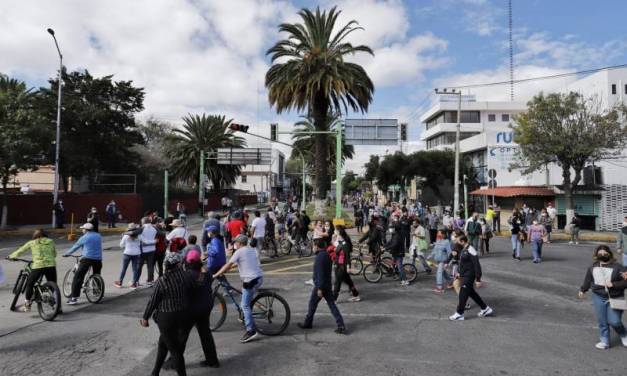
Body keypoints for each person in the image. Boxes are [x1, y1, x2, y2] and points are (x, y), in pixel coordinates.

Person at [140, 252, 194, 376]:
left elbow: (153, 301)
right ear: (179, 264)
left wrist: (145, 318)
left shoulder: (162, 280)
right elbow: (192, 293)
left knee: (174, 351)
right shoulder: (186, 277)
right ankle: (155, 372)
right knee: (163, 343)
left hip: (166, 318)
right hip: (184, 316)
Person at [213, 234, 264, 343]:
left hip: (250, 280)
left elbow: (228, 264)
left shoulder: (239, 252)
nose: (235, 244)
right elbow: (241, 263)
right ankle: (245, 316)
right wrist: (227, 269)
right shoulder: (251, 250)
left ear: (239, 243)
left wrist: (217, 274)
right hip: (259, 278)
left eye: (236, 242)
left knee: (245, 305)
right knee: (246, 301)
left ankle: (251, 331)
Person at [578, 245, 627, 349]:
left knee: (614, 321)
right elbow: (588, 279)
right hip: (598, 296)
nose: (603, 255)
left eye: (605, 253)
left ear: (609, 254)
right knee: (602, 321)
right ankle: (604, 341)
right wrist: (583, 290)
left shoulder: (619, 267)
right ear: (596, 255)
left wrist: (614, 284)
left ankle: (624, 334)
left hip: (615, 297)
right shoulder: (593, 266)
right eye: (600, 254)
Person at [297, 237, 346, 334]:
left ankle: (308, 323)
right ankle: (341, 324)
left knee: (312, 304)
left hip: (321, 285)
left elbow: (320, 273)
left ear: (317, 247)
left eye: (313, 246)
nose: (313, 248)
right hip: (326, 284)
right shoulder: (326, 254)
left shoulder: (320, 257)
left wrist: (319, 288)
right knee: (331, 305)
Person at [181, 250, 219, 368]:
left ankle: (175, 360)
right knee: (205, 333)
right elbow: (204, 273)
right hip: (206, 306)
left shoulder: (186, 276)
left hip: (192, 309)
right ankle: (212, 360)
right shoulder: (206, 274)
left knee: (182, 334)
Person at [8, 230, 58, 312]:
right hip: (51, 265)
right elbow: (54, 254)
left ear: (35, 236)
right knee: (53, 285)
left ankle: (27, 306)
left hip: (38, 266)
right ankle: (57, 306)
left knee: (30, 284)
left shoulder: (32, 242)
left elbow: (20, 250)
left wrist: (11, 256)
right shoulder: (51, 241)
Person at [449, 235, 493, 321]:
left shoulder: (471, 250)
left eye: (458, 241)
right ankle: (485, 308)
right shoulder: (464, 249)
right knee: (471, 293)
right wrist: (459, 272)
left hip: (469, 276)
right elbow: (462, 262)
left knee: (463, 293)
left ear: (463, 241)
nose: (456, 242)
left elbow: (477, 265)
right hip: (464, 274)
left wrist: (478, 279)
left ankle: (459, 313)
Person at [63, 223, 103, 305]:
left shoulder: (84, 237)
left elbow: (75, 247)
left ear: (86, 230)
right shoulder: (98, 236)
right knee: (96, 274)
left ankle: (74, 298)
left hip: (87, 259)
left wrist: (66, 253)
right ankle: (97, 292)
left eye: (83, 229)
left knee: (78, 277)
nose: (82, 230)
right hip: (98, 259)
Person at [332, 226, 360, 302]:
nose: (334, 231)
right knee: (348, 281)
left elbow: (347, 256)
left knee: (337, 282)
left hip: (342, 266)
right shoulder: (340, 241)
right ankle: (356, 295)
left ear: (338, 232)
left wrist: (348, 267)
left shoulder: (345, 243)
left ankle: (334, 298)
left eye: (335, 230)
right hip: (338, 264)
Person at [114, 223, 141, 289]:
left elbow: (121, 245)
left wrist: (122, 238)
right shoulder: (139, 236)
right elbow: (140, 244)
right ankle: (134, 284)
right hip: (136, 253)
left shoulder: (126, 236)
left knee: (124, 268)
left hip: (127, 253)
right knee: (135, 269)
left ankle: (120, 282)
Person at [139, 217, 158, 286]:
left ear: (144, 222)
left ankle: (136, 280)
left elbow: (143, 241)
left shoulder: (142, 229)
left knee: (140, 265)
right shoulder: (154, 229)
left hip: (143, 249)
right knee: (150, 265)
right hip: (152, 249)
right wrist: (154, 241)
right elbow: (156, 237)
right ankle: (150, 279)